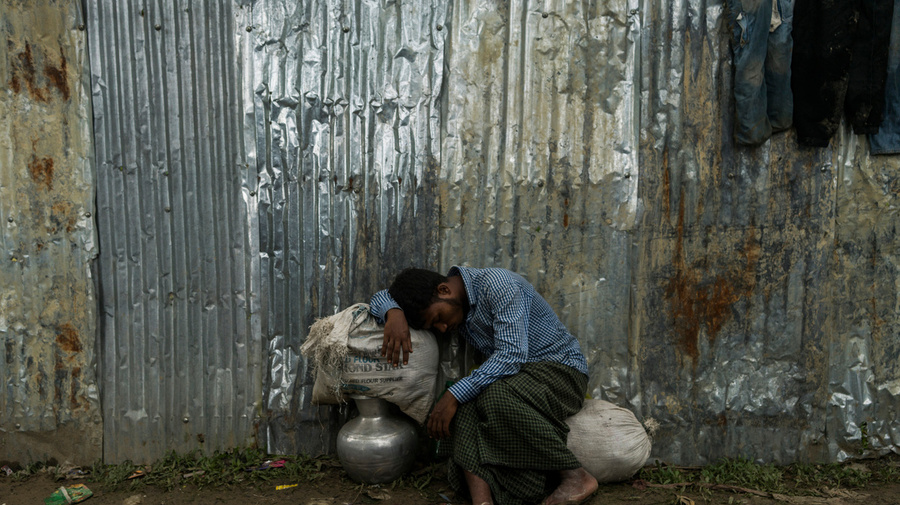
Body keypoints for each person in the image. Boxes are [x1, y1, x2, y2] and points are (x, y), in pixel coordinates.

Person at [369, 266, 598, 505]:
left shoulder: (498, 285)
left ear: (444, 289)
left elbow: (511, 355)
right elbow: (380, 296)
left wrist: (452, 395)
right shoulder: (454, 299)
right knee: (465, 408)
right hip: (518, 381)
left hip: (561, 372)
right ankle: (483, 502)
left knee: (490, 396)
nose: (443, 329)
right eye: (435, 327)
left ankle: (576, 476)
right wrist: (393, 313)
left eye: (438, 319)